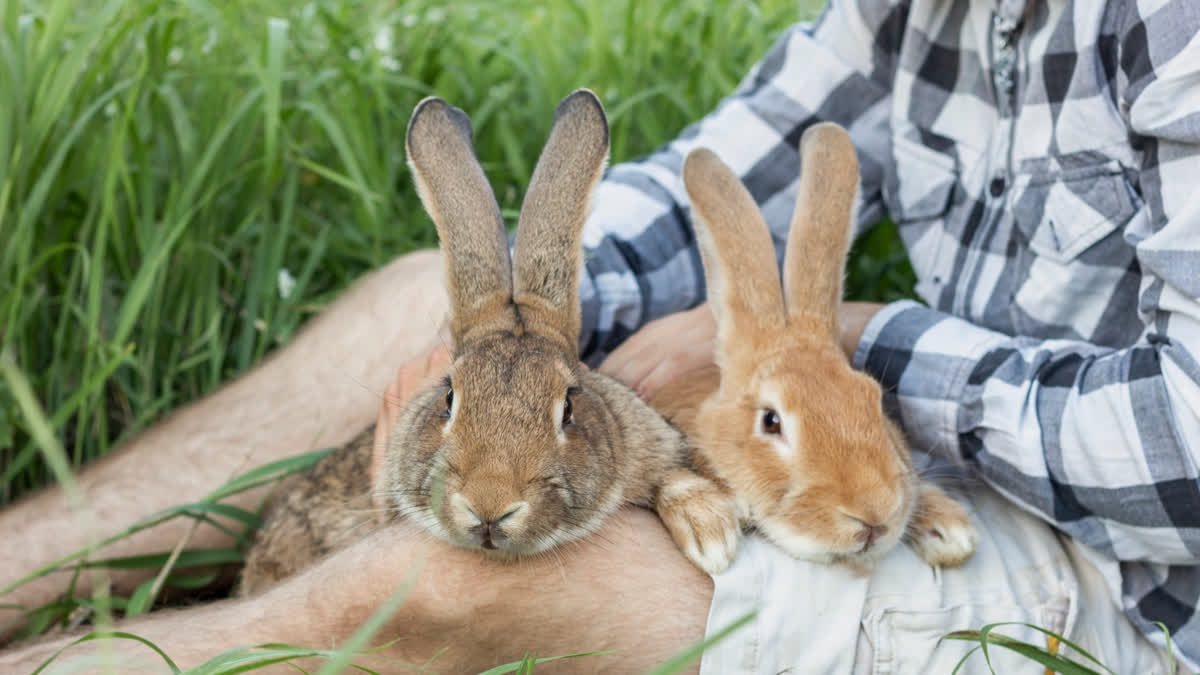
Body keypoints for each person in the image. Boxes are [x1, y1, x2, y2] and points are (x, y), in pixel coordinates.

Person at [3, 0, 1199, 672]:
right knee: (412, 296)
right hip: (868, 462)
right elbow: (717, 184)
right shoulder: (907, 15)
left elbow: (1185, 451)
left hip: (1133, 583)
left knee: (420, 585)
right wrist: (513, 315)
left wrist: (844, 340)